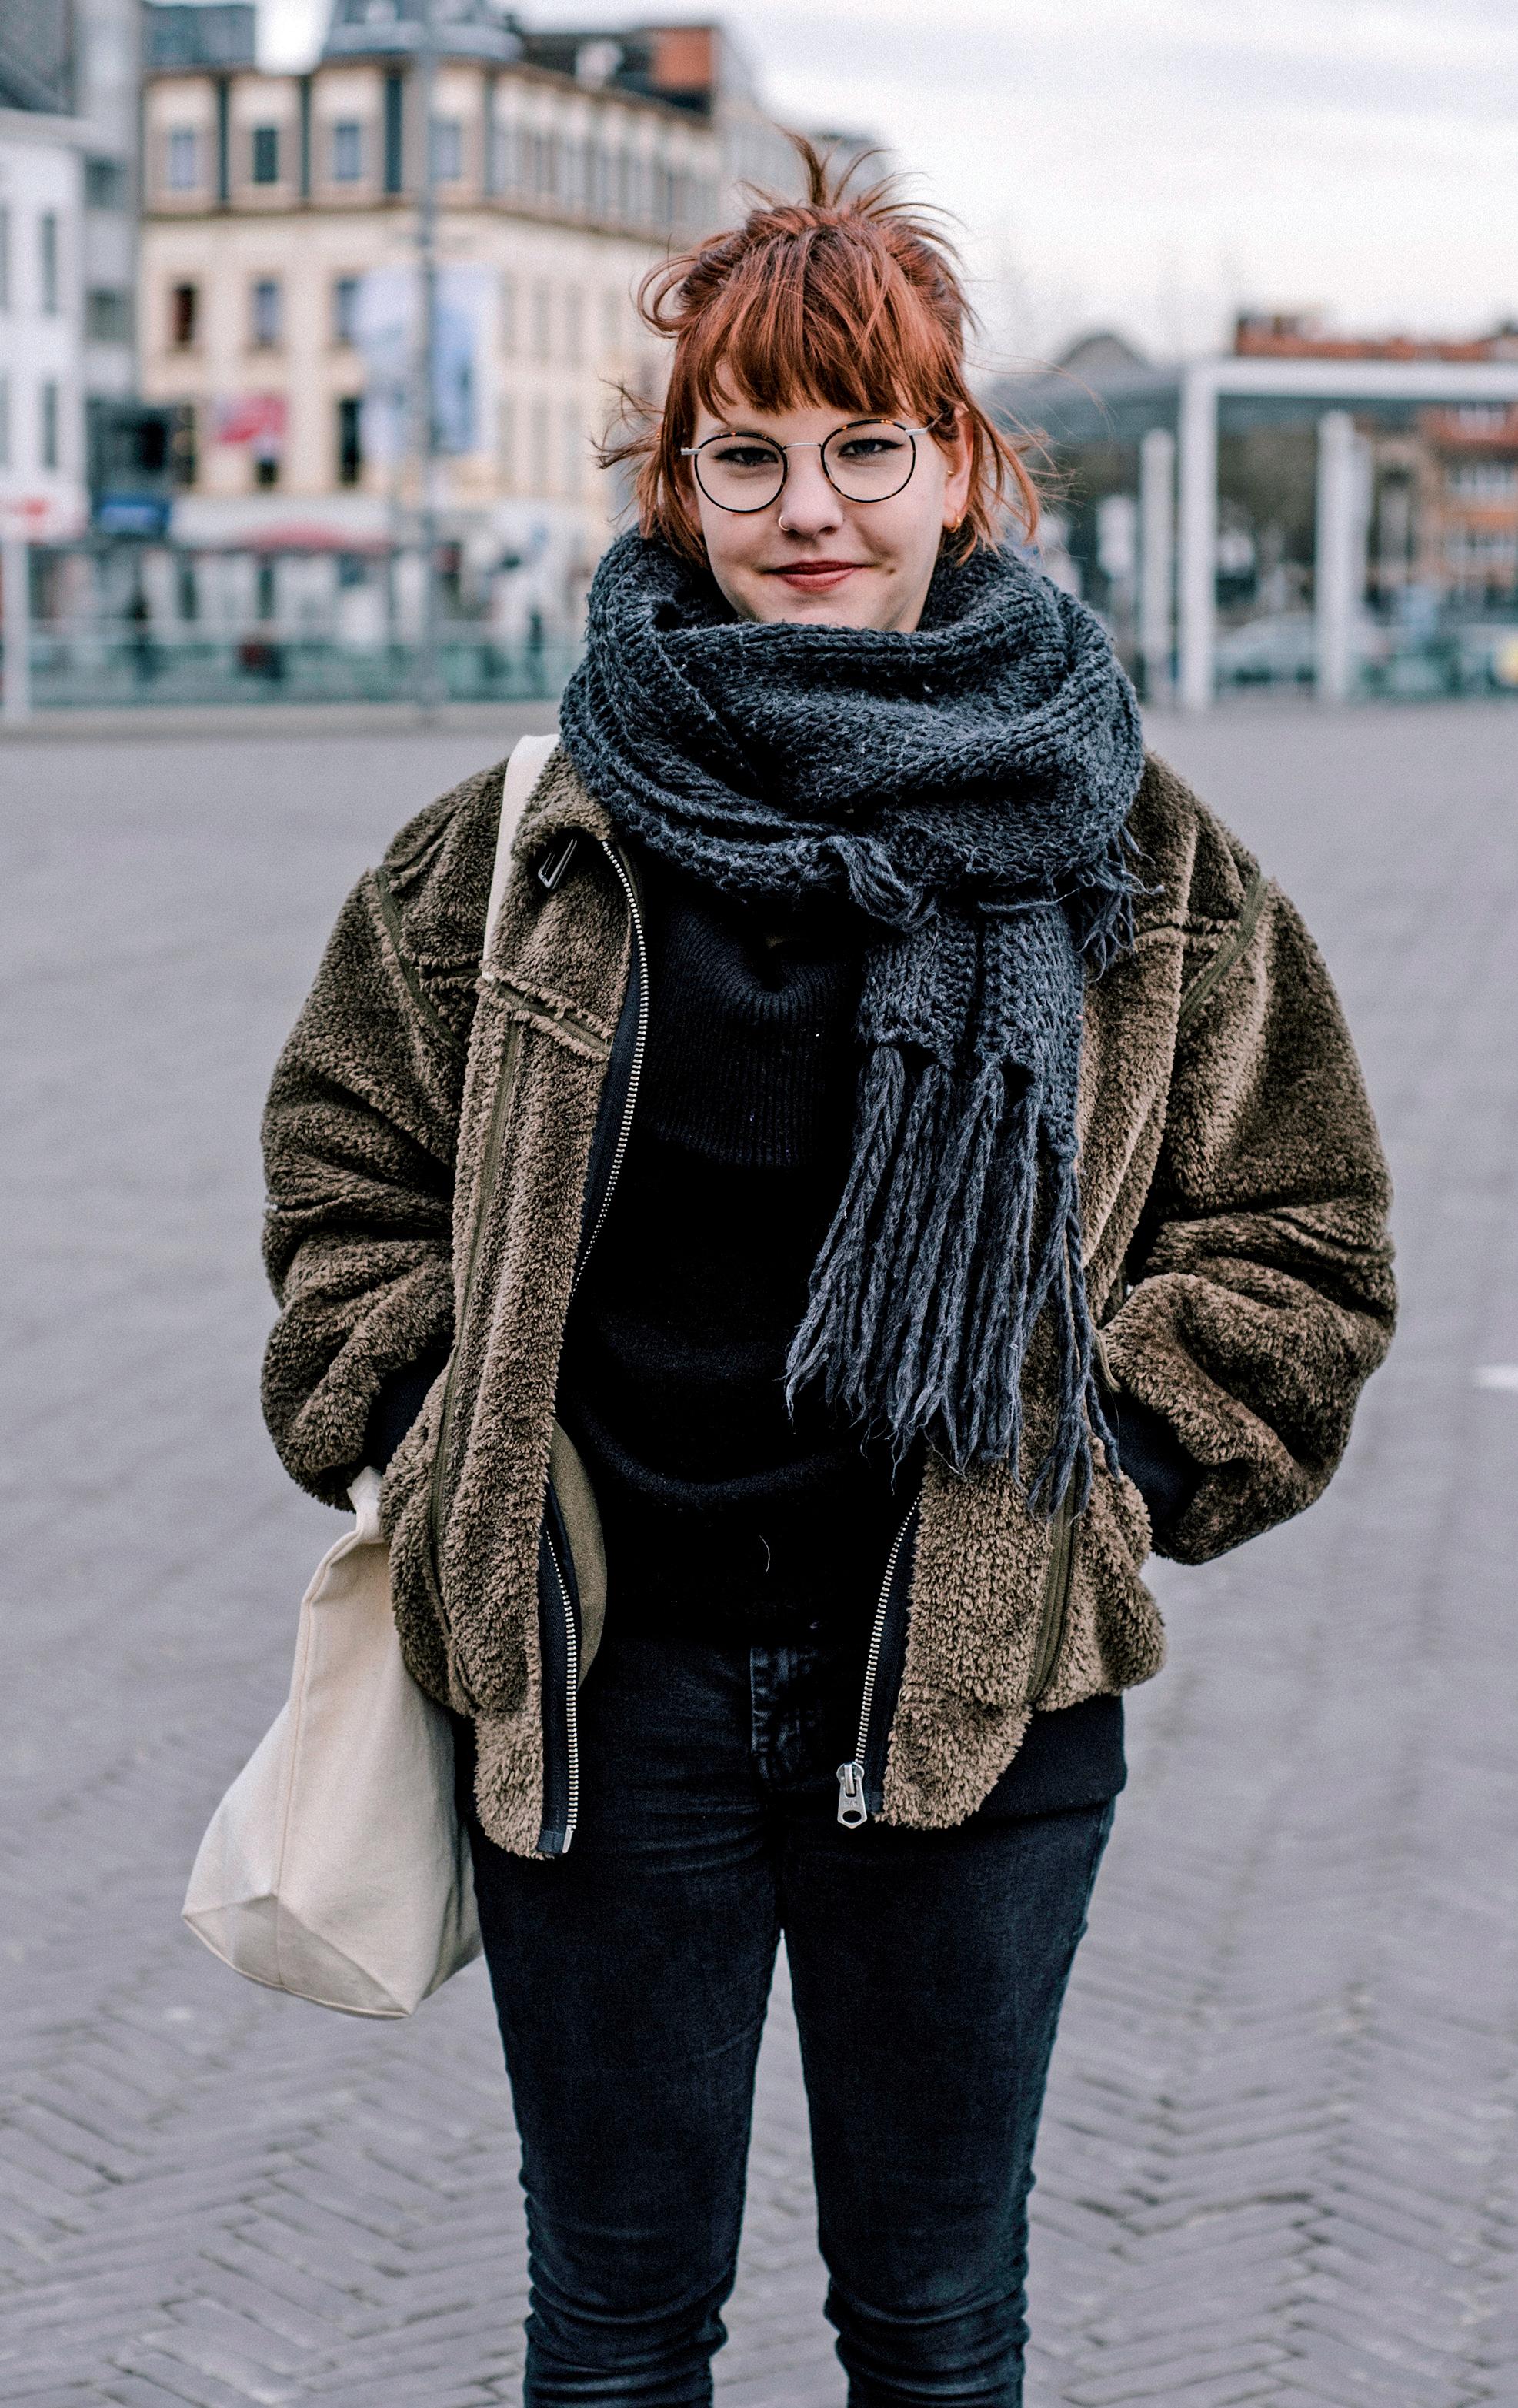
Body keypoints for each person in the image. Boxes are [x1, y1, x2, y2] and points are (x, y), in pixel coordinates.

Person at [259, 152, 1395, 2408]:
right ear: (673, 486)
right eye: (746, 454)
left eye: (866, 446)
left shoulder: (1137, 853)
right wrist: (435, 1434)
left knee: (938, 2325)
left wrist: (1109, 1477)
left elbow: (1302, 1230)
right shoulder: (522, 840)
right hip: (602, 1685)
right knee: (615, 2326)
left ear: (960, 467)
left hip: (970, 1690)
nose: (810, 509)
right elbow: (342, 1176)